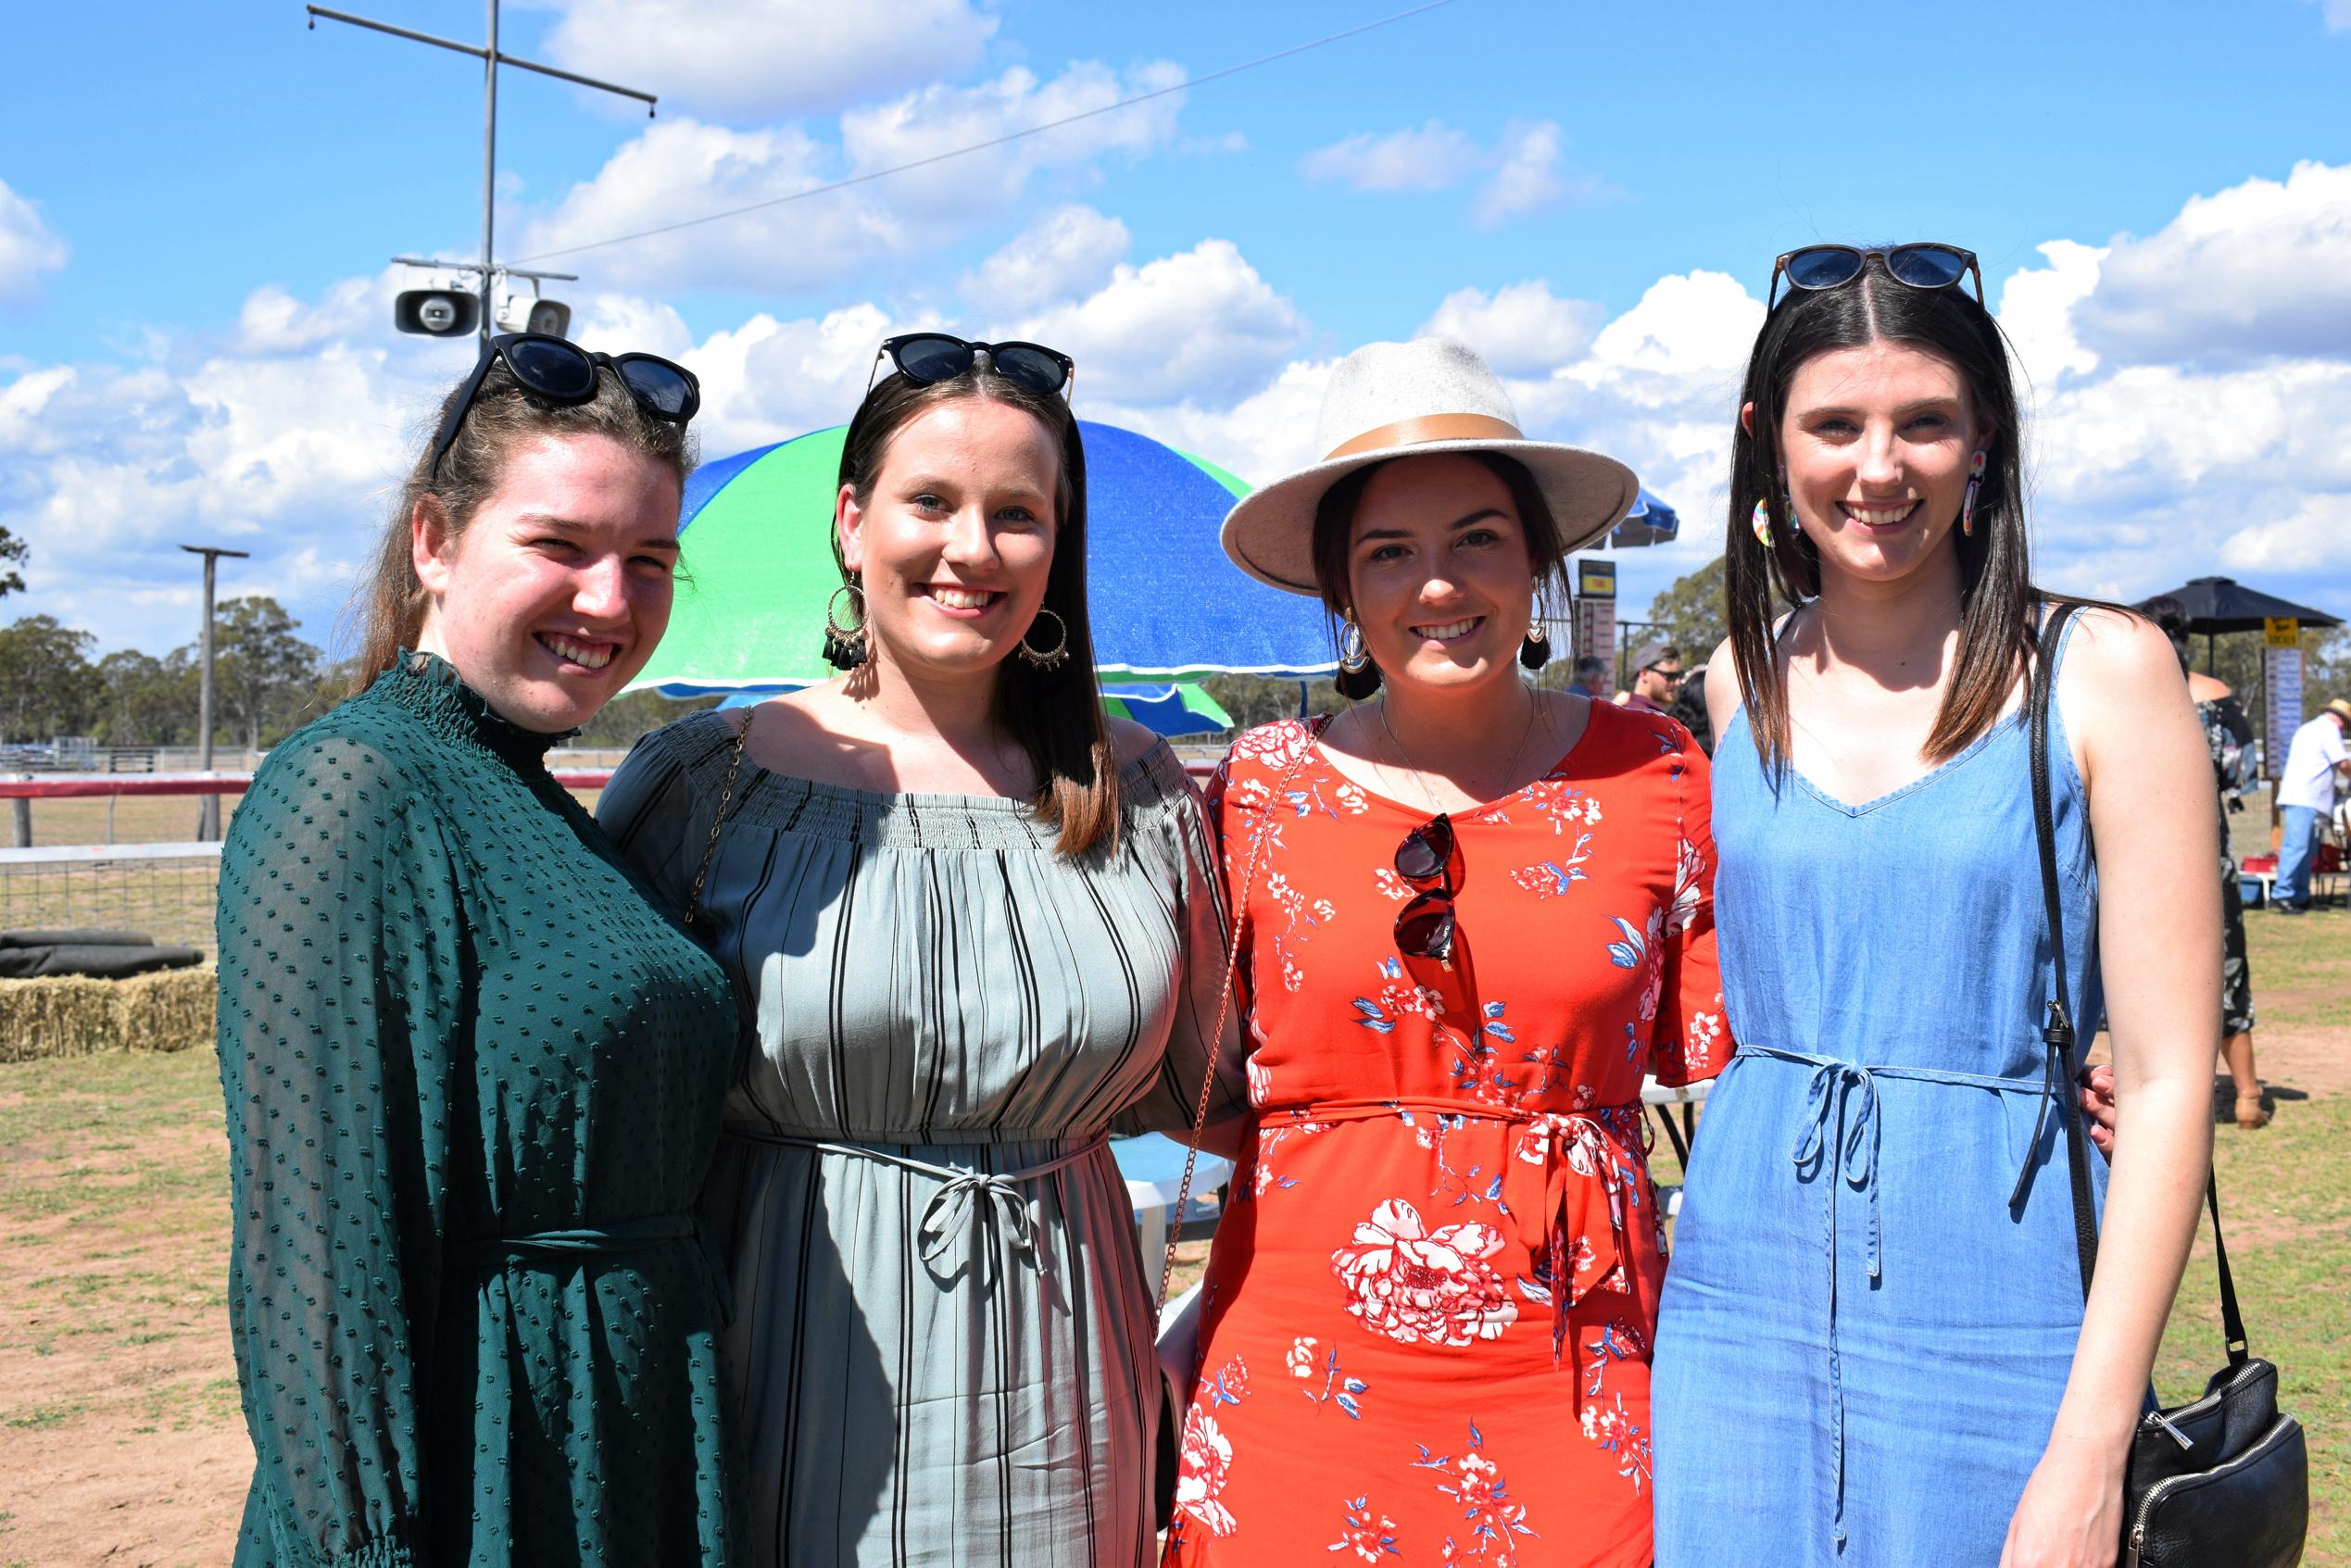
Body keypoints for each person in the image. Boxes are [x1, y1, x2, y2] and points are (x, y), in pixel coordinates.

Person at [594, 333, 1242, 1566]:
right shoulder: (701, 787)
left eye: (1016, 513)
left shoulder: (1140, 790)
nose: (969, 547)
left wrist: (1210, 1325)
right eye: (930, 501)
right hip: (780, 1365)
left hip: (1072, 1390)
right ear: (851, 521)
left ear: (1059, 546)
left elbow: (1242, 1099)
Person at [1653, 244, 2217, 1566]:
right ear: (1765, 442)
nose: (1878, 467)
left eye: (1923, 422)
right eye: (1833, 425)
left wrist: (2087, 1451)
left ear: (1984, 442)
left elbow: (2171, 1078)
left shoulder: (2102, 671)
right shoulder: (1739, 685)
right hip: (1736, 1304)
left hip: (2006, 1298)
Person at [1167, 338, 1730, 1567]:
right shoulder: (1255, 789)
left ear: (1534, 560)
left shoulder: (1656, 774)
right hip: (1297, 1379)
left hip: (1579, 1374)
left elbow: (1757, 1053)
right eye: (1388, 553)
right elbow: (1186, 1078)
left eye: (1476, 538)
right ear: (1341, 591)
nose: (1437, 585)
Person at [214, 335, 748, 1564]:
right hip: (485, 1475)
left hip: (632, 1448)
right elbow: (321, 1272)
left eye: (649, 561)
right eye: (559, 546)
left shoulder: (538, 803)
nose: (610, 601)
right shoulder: (353, 787)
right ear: (434, 542)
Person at [2144, 597, 2269, 1127]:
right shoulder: (2216, 698)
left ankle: (2143, 1095)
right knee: (2222, 966)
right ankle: (2246, 1098)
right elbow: (2243, 775)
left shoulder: (2127, 691)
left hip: (2127, 850)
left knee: (2134, 972)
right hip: (2201, 853)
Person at [2272, 696, 2351, 913]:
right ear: (2341, 720)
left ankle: (2300, 895)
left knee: (2306, 849)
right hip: (2305, 797)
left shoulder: (2310, 728)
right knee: (2296, 847)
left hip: (2307, 797)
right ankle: (2283, 893)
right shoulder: (2328, 731)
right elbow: (2342, 763)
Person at [1617, 638, 1683, 714]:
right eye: (1670, 676)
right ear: (1644, 673)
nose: (1677, 682)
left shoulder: (1648, 712)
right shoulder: (1640, 715)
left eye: (1679, 675)